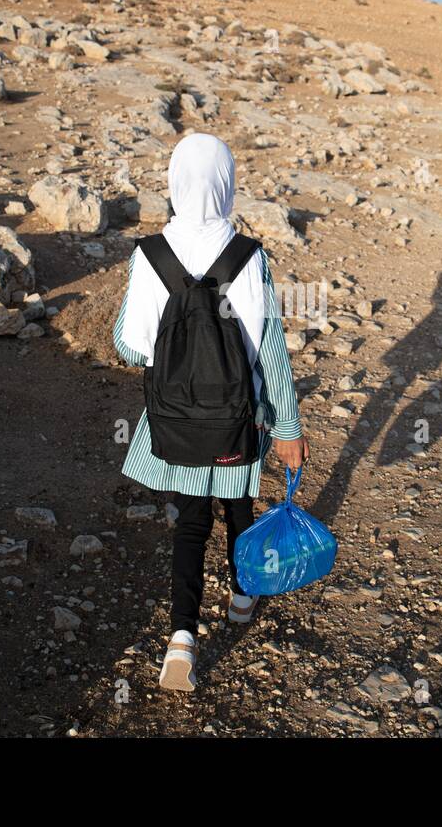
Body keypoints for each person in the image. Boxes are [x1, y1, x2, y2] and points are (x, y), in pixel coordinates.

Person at [113, 133, 309, 693]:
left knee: (190, 522)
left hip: (176, 420)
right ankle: (244, 598)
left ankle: (181, 640)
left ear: (175, 183)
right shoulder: (248, 257)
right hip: (236, 418)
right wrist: (288, 425)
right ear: (227, 183)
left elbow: (130, 346)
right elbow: (269, 347)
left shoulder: (149, 254)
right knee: (239, 506)